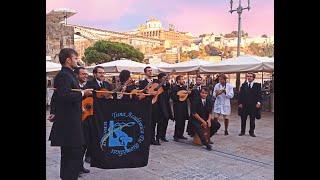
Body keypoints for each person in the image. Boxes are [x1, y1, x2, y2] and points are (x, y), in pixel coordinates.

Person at [48, 48, 92, 180]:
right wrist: (83, 93)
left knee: (70, 155)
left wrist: (54, 112)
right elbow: (64, 95)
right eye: (75, 58)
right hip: (69, 125)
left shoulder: (69, 74)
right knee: (72, 155)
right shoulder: (64, 75)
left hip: (71, 121)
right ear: (68, 60)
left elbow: (58, 95)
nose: (77, 60)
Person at [73, 67, 90, 175]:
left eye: (86, 74)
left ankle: (80, 166)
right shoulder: (73, 86)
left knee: (84, 144)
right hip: (75, 119)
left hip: (87, 119)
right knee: (75, 146)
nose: (85, 76)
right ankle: (74, 168)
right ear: (77, 75)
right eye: (83, 74)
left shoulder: (88, 86)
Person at [138, 66, 160, 145]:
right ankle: (145, 139)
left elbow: (162, 89)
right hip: (146, 104)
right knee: (147, 122)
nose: (150, 72)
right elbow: (140, 94)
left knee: (154, 122)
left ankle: (152, 139)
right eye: (148, 71)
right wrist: (150, 93)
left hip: (155, 104)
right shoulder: (142, 83)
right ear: (145, 73)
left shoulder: (156, 81)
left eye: (151, 70)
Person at [238, 72, 262, 137]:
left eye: (250, 76)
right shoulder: (244, 85)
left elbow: (260, 95)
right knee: (243, 119)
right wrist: (240, 103)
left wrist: (258, 103)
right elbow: (240, 95)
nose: (249, 77)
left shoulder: (257, 85)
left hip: (253, 106)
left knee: (252, 120)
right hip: (244, 106)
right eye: (248, 76)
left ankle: (251, 132)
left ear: (253, 78)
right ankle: (242, 131)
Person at [154, 73, 173, 142]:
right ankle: (158, 137)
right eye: (164, 77)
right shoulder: (157, 84)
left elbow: (167, 89)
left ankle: (163, 136)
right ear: (160, 78)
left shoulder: (167, 84)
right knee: (160, 121)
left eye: (166, 77)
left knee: (166, 120)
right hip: (160, 105)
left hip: (166, 104)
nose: (166, 78)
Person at [171, 75, 189, 142]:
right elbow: (173, 97)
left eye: (183, 79)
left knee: (183, 121)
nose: (183, 80)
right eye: (181, 79)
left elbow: (186, 96)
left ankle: (181, 134)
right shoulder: (174, 87)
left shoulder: (184, 87)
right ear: (178, 80)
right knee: (178, 121)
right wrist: (179, 97)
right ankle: (176, 136)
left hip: (184, 106)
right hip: (178, 107)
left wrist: (187, 94)